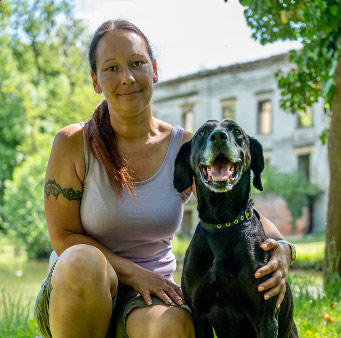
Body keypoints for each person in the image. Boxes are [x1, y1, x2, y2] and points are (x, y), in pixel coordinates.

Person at [34, 19, 294, 338]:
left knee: (174, 326)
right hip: (77, 291)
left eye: (137, 63)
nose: (127, 77)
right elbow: (63, 237)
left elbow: (232, 210)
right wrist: (135, 274)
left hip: (150, 299)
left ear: (154, 69)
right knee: (82, 260)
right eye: (111, 68)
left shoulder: (186, 147)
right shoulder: (74, 142)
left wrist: (283, 247)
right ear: (95, 80)